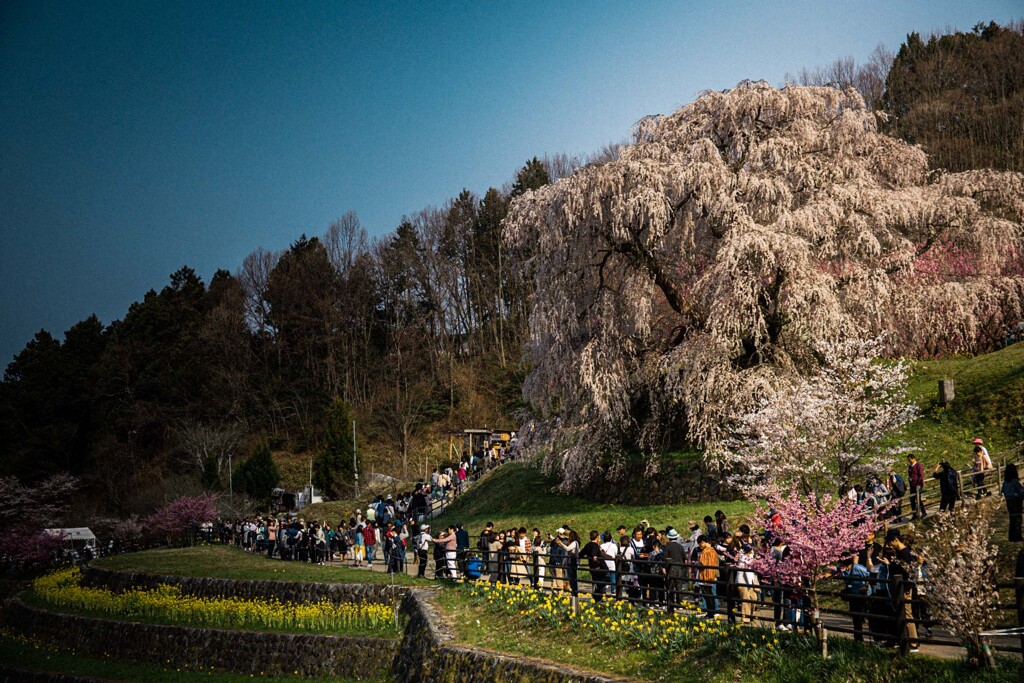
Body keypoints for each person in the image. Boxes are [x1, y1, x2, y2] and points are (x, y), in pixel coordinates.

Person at [837, 556, 870, 642]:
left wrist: (866, 586)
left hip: (862, 593)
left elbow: (870, 575)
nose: (840, 566)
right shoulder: (841, 568)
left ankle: (864, 636)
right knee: (855, 616)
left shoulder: (858, 568)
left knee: (861, 615)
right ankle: (858, 638)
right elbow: (832, 571)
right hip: (852, 593)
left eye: (842, 564)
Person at [663, 528, 687, 613]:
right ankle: (679, 603)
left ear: (669, 538)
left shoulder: (667, 546)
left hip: (671, 567)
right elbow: (685, 558)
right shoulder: (680, 546)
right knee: (679, 586)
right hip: (679, 567)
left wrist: (664, 567)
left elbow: (665, 558)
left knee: (671, 586)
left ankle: (671, 603)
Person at [695, 535, 719, 618]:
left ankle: (710, 614)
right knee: (711, 595)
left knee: (707, 596)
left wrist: (696, 564)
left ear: (703, 542)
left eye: (700, 544)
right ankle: (712, 613)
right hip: (711, 575)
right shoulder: (713, 551)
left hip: (704, 575)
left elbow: (702, 564)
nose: (700, 546)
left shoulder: (705, 552)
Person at [581, 531, 607, 601]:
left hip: (591, 567)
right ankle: (599, 597)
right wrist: (594, 556)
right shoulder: (595, 545)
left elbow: (581, 553)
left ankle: (597, 597)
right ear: (597, 537)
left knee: (596, 582)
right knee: (602, 582)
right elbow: (594, 554)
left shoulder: (588, 545)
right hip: (598, 567)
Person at [1001, 463, 1024, 542]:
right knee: (1018, 518)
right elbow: (1021, 491)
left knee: (1012, 519)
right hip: (1016, 501)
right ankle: (1017, 536)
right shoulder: (1015, 481)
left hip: (1009, 501)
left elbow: (1003, 491)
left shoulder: (1005, 482)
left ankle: (1011, 536)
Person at [907, 454, 927, 519]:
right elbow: (910, 475)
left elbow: (921, 475)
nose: (909, 461)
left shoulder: (918, 465)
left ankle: (923, 512)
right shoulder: (910, 466)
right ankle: (914, 514)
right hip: (912, 485)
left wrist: (919, 484)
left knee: (918, 498)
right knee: (912, 499)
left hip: (918, 485)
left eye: (909, 459)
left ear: (913, 459)